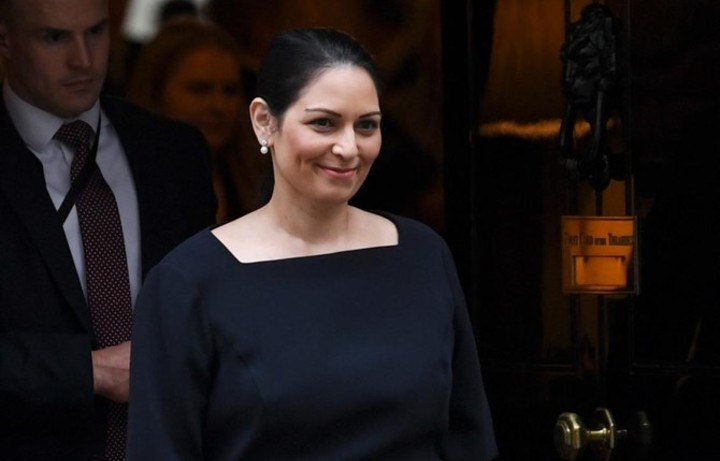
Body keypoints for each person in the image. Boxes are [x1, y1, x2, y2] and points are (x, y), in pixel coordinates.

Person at [127, 27, 498, 460]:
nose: (349, 148)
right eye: (324, 122)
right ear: (264, 122)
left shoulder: (422, 255)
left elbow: (469, 440)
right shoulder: (188, 283)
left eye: (367, 125)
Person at [0, 0, 216, 459]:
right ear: (6, 39)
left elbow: (209, 311)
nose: (83, 59)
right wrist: (89, 371)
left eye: (96, 32)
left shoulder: (174, 152)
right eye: (54, 38)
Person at [127, 19, 263, 223]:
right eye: (199, 89)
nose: (218, 106)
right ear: (156, 94)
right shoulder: (125, 186)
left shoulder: (255, 183)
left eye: (230, 91)